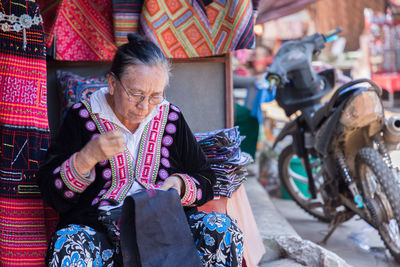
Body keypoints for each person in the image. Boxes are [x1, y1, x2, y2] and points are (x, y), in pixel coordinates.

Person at [37, 34, 243, 266]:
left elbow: (205, 178)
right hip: (101, 232)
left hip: (164, 231)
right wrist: (87, 158)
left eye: (155, 96)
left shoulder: (170, 117)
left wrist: (179, 184)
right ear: (113, 84)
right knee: (67, 245)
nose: (145, 107)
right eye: (136, 94)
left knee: (222, 229)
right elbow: (51, 193)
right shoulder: (82, 117)